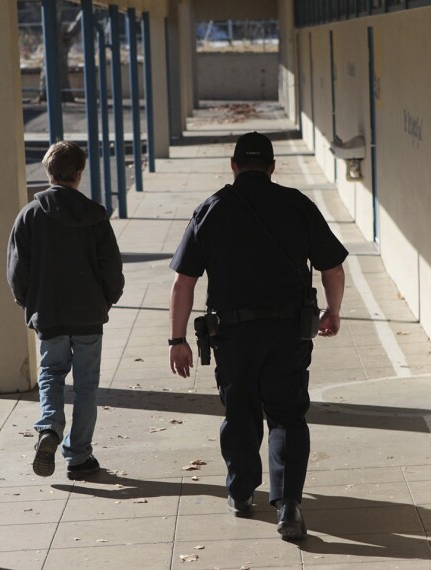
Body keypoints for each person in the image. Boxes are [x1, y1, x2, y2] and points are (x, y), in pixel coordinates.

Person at [167, 132, 348, 541]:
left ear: (233, 166)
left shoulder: (211, 209)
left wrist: (176, 339)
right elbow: (332, 268)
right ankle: (288, 505)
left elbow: (184, 282)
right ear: (271, 167)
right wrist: (332, 312)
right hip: (288, 332)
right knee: (286, 415)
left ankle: (242, 491)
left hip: (232, 334)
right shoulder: (297, 204)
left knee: (240, 413)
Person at [7, 140, 124, 480]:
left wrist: (30, 302)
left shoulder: (29, 216)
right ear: (79, 173)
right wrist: (106, 300)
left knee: (51, 373)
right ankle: (79, 456)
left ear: (49, 172)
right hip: (88, 314)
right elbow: (111, 268)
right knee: (86, 386)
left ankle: (49, 428)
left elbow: (17, 271)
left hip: (51, 314)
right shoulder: (95, 215)